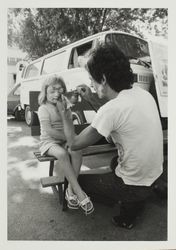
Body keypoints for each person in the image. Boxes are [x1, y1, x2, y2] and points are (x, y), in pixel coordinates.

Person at [56, 43, 163, 229]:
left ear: (103, 79)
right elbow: (112, 117)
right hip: (154, 175)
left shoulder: (112, 109)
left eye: (92, 79)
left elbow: (74, 144)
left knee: (75, 180)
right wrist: (91, 97)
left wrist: (65, 116)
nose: (91, 83)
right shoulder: (143, 95)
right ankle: (137, 199)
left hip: (132, 186)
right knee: (114, 163)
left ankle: (127, 214)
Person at [38, 75, 94, 215]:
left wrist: (66, 112)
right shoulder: (43, 108)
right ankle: (79, 192)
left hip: (65, 141)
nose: (56, 94)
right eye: (52, 91)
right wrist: (70, 138)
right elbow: (49, 131)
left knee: (76, 150)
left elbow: (69, 127)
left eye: (60, 90)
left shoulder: (65, 106)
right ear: (45, 92)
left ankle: (70, 190)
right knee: (63, 154)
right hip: (49, 142)